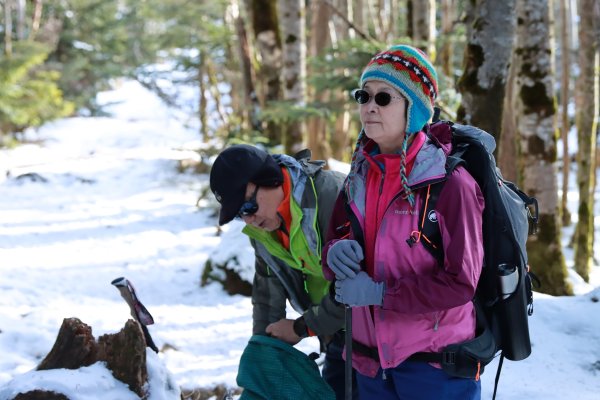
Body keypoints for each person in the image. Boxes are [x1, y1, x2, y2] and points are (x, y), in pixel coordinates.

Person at [322, 44, 485, 399]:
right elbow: (333, 242)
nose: (369, 107)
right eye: (363, 96)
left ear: (414, 110)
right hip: (369, 363)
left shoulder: (449, 183)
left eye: (384, 98)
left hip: (434, 370)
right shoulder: (358, 176)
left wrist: (382, 294)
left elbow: (462, 283)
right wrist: (335, 254)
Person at [209, 144, 356, 399]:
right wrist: (263, 364)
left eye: (247, 208)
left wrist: (302, 327)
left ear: (270, 179)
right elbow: (267, 298)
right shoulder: (264, 231)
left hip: (380, 334)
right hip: (337, 335)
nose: (249, 220)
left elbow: (356, 283)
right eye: (239, 215)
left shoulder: (331, 196)